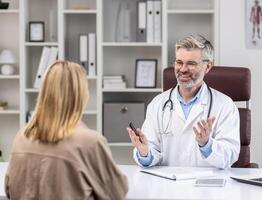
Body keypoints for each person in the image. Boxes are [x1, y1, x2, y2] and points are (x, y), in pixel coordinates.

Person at [5, 61, 128, 199]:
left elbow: (9, 190)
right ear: (80, 95)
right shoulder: (90, 142)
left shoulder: (22, 137)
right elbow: (116, 193)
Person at [127, 34, 240, 169]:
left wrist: (206, 145)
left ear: (208, 67)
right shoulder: (158, 104)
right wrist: (145, 153)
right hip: (168, 184)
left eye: (191, 64)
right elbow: (152, 151)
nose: (183, 69)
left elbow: (230, 155)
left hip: (207, 185)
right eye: (179, 62)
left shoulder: (224, 105)